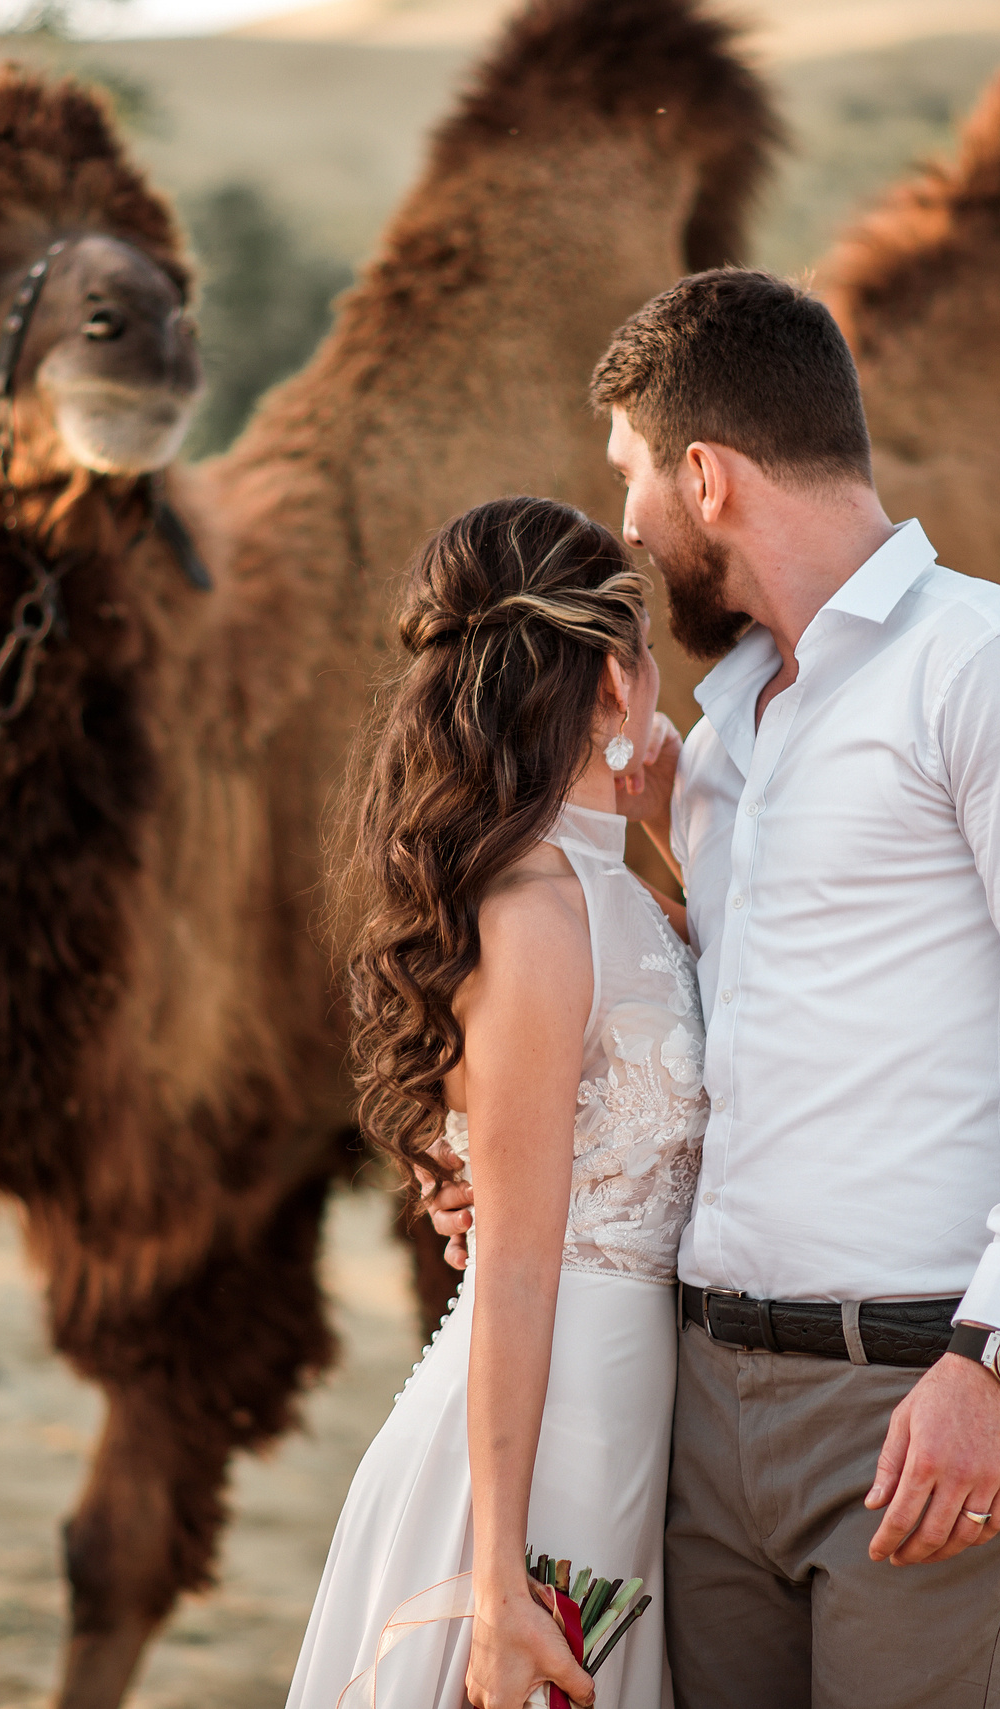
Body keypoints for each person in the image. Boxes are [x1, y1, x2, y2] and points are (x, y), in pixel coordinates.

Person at [429, 268, 1000, 1707]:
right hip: (704, 1409)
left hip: (923, 1389)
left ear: (704, 476)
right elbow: (745, 1032)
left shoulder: (996, 667)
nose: (627, 531)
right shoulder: (721, 741)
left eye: (632, 482)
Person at [285, 496, 706, 1709]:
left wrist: (673, 828)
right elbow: (516, 1268)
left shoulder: (613, 891)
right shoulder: (536, 912)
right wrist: (497, 1579)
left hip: (622, 1412)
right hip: (550, 1433)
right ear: (614, 681)